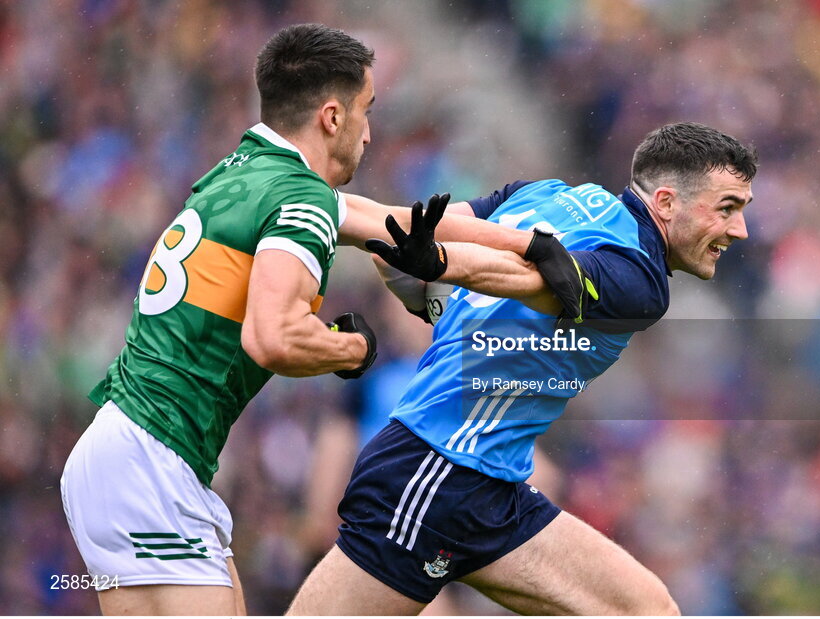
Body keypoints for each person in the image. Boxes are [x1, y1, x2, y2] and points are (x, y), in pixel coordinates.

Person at [59, 23, 582, 616]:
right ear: (332, 116)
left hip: (133, 457)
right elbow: (273, 336)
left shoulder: (250, 171)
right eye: (366, 111)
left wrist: (525, 243)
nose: (370, 132)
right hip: (148, 462)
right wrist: (351, 349)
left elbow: (389, 220)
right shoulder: (300, 198)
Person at [287, 121, 758, 615]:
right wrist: (438, 266)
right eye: (727, 209)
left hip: (492, 486)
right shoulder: (641, 280)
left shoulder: (544, 194)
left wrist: (324, 211)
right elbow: (532, 276)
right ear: (664, 203)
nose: (739, 230)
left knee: (645, 610)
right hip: (433, 469)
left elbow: (397, 234)